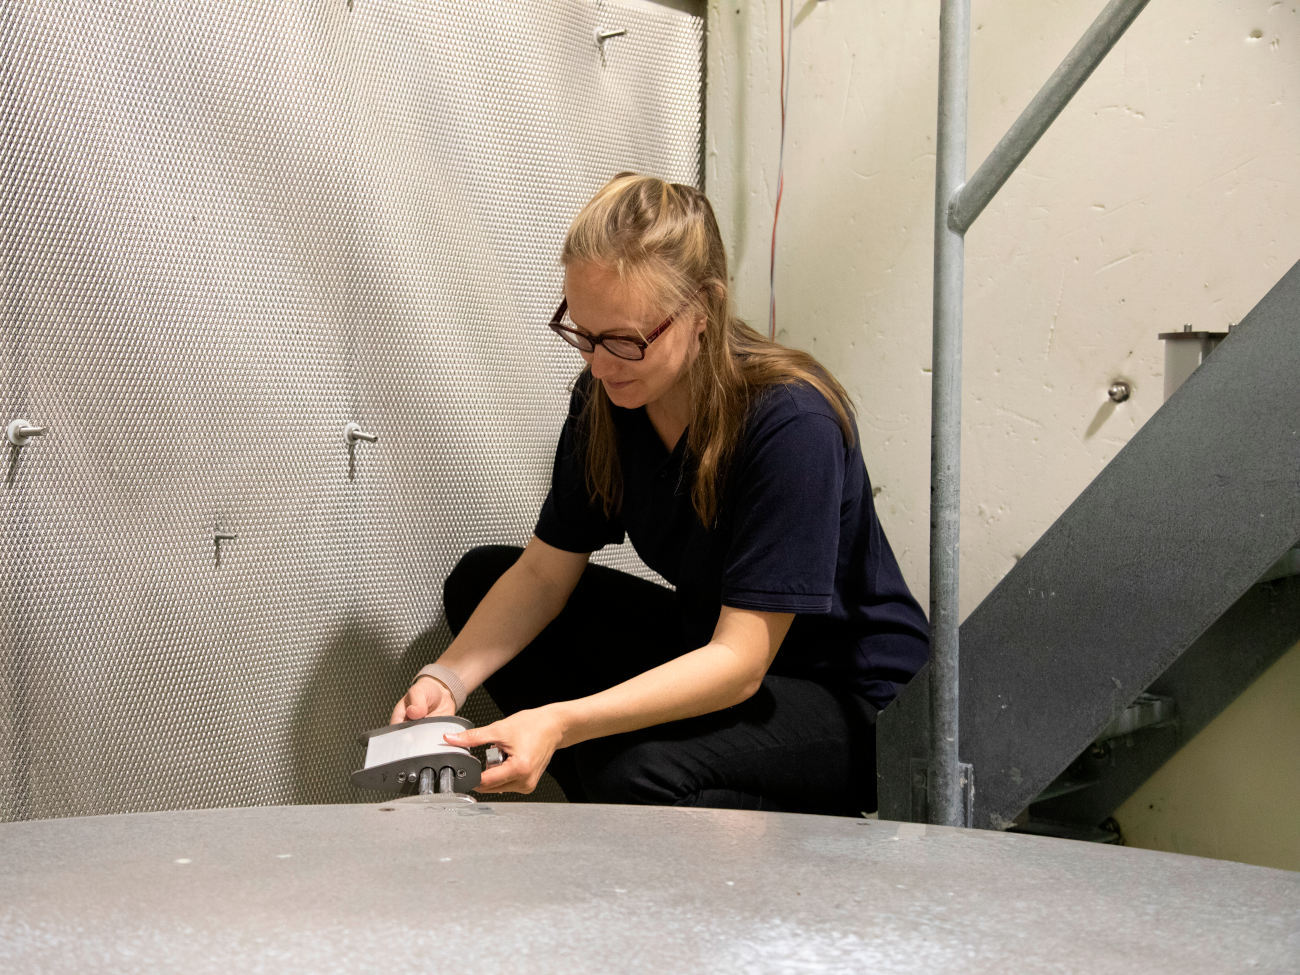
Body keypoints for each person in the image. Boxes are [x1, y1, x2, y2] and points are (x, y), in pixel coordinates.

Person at [390, 173, 929, 815]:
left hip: (851, 700)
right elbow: (541, 576)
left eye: (626, 340)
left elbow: (740, 663)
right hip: (714, 646)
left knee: (627, 767)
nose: (599, 364)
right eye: (583, 333)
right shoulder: (608, 398)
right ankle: (639, 816)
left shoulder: (792, 423)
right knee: (483, 579)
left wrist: (562, 722)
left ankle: (708, 815)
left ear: (704, 309)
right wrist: (445, 680)